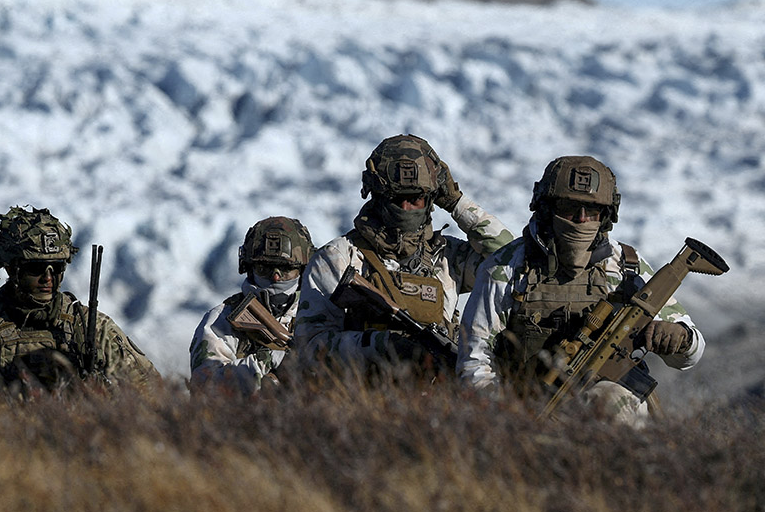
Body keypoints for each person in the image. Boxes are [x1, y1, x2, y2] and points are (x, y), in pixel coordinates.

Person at [458, 155, 705, 426]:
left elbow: (690, 355)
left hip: (612, 412)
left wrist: (680, 338)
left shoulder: (625, 268)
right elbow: (475, 359)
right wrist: (504, 419)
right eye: (568, 208)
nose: (581, 219)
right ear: (546, 208)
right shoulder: (506, 268)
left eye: (592, 210)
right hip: (528, 409)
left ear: (606, 216)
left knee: (612, 401)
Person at [293, 134, 514, 384]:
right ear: (376, 195)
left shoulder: (449, 258)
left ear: (432, 199)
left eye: (416, 198)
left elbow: (512, 262)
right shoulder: (339, 257)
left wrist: (457, 203)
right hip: (361, 405)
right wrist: (381, 346)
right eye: (396, 199)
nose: (406, 208)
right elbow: (309, 349)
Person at [0, 206, 160, 395]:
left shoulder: (90, 328)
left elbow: (152, 391)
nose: (48, 278)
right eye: (36, 268)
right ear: (12, 269)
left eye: (57, 267)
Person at [189, 216, 314, 395]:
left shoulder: (321, 313)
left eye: (286, 269)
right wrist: (267, 360)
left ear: (303, 269)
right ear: (248, 267)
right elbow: (204, 388)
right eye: (264, 268)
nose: (276, 277)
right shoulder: (221, 320)